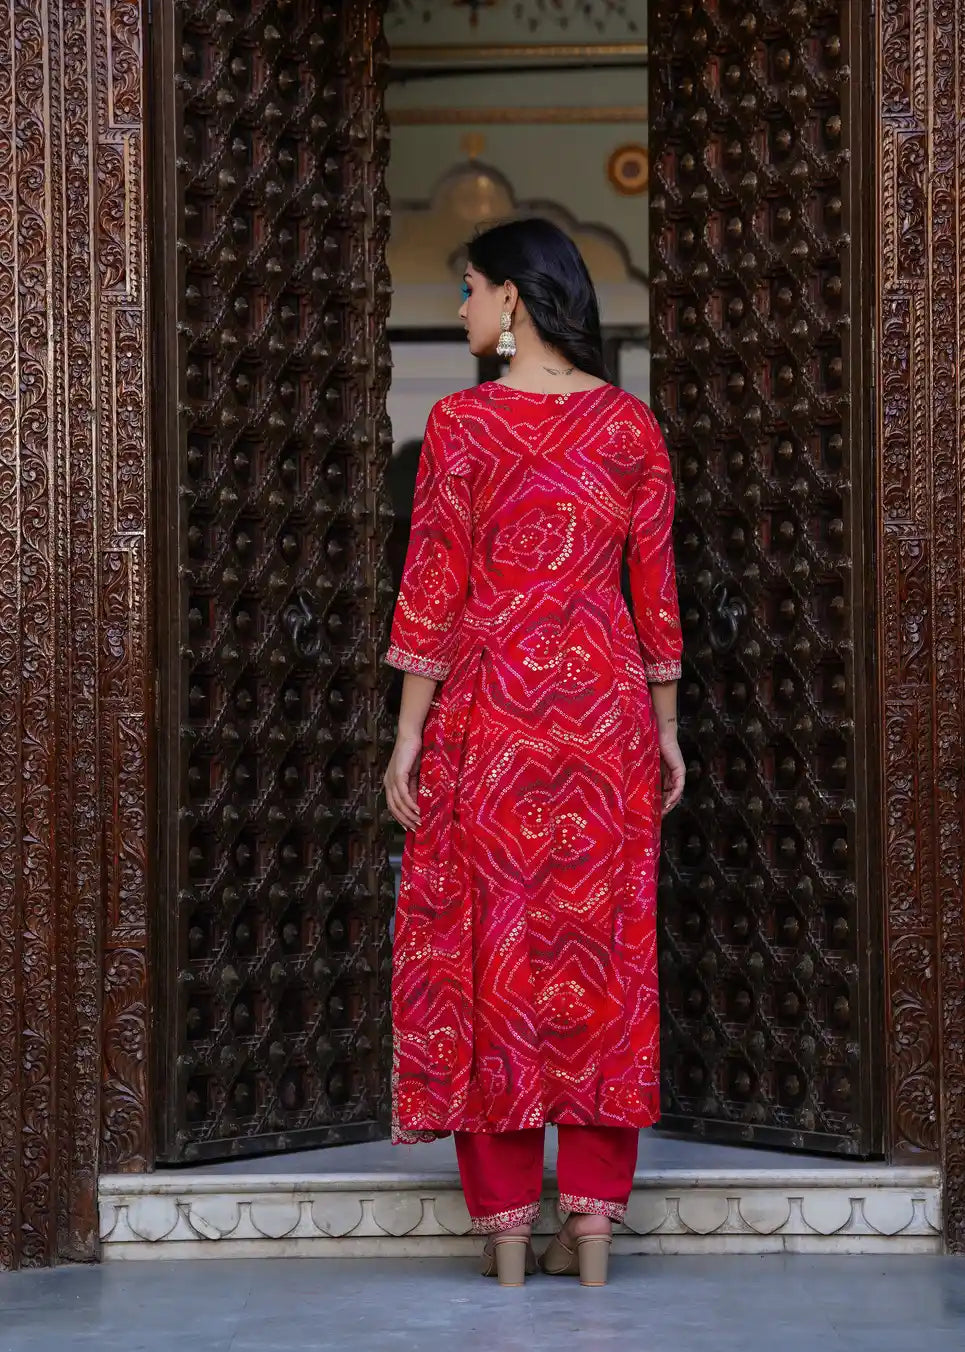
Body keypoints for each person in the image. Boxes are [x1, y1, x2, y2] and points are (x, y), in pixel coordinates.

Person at [382, 217, 684, 1287]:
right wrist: (664, 728)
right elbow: (653, 593)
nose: (460, 308)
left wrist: (409, 733)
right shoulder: (629, 429)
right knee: (602, 961)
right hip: (603, 716)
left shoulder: (460, 426)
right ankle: (592, 1230)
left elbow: (432, 585)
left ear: (511, 298)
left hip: (492, 714)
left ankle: (506, 1233)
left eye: (466, 289)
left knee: (490, 957)